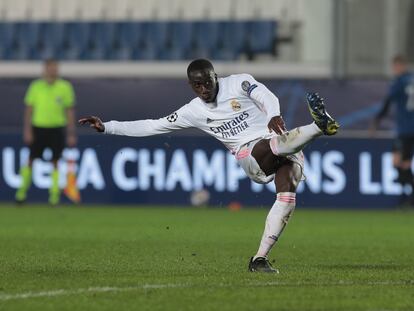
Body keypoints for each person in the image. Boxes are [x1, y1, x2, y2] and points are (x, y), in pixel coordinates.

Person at [79, 59, 339, 272]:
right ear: (191, 86)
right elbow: (153, 125)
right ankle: (318, 126)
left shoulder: (238, 82)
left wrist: (272, 114)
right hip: (251, 156)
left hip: (281, 141)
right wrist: (108, 127)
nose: (204, 89)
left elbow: (264, 94)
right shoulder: (193, 111)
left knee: (287, 195)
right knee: (270, 145)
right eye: (197, 85)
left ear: (216, 76)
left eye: (207, 82)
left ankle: (259, 259)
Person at [15, 59, 77, 205]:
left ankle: (54, 196)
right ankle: (21, 193)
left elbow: (69, 111)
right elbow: (29, 110)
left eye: (54, 68)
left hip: (56, 128)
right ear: (44, 70)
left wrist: (71, 133)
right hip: (38, 128)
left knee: (55, 161)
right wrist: (27, 130)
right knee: (31, 160)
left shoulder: (65, 87)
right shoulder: (36, 86)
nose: (52, 71)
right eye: (49, 68)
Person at [373, 55, 414, 206]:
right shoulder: (411, 79)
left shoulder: (399, 82)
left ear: (400, 66)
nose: (394, 70)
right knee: (401, 162)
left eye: (395, 66)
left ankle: (406, 197)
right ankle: (406, 198)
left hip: (405, 129)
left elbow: (388, 100)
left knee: (400, 163)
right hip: (408, 128)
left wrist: (378, 119)